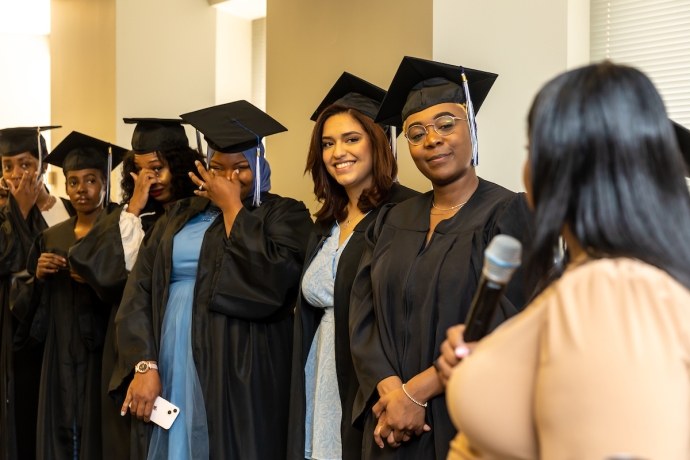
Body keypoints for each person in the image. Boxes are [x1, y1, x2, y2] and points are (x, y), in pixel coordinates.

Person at [444, 62, 690, 460]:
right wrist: (491, 368)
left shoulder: (611, 290)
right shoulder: (590, 278)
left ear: (555, 167)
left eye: (531, 150)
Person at [348, 57, 535, 460]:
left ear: (472, 128)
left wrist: (417, 393)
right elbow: (362, 315)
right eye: (416, 133)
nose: (431, 139)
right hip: (389, 422)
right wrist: (390, 391)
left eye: (446, 124)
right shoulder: (389, 220)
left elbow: (511, 320)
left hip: (468, 415)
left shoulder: (509, 214)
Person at [114, 100, 313, 460]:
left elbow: (274, 283)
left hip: (244, 363)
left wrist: (233, 208)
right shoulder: (177, 215)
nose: (227, 179)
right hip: (171, 355)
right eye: (217, 168)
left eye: (240, 168)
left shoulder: (283, 214)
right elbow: (138, 292)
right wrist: (144, 363)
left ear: (259, 165)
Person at [287, 72, 419, 460]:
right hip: (322, 367)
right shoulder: (325, 223)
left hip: (371, 376)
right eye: (328, 143)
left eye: (351, 139)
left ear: (378, 141)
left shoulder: (406, 214)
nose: (337, 152)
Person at [68, 118, 204, 460]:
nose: (148, 179)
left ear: (180, 164)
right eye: (138, 171)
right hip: (131, 346)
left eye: (156, 168)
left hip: (183, 338)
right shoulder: (131, 220)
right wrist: (134, 206)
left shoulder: (201, 217)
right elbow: (95, 269)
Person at [11, 132, 126, 459]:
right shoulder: (52, 236)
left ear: (105, 182)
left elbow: (131, 286)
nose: (81, 190)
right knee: (59, 423)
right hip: (59, 344)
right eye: (73, 182)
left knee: (98, 424)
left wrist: (93, 276)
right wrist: (39, 277)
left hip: (103, 348)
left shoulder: (119, 227)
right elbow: (22, 302)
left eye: (90, 180)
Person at [0, 126, 76, 460]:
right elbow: (13, 264)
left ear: (43, 166)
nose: (17, 174)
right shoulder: (2, 216)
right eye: (7, 166)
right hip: (17, 331)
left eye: (26, 164)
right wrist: (19, 210)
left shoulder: (69, 209)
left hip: (63, 326)